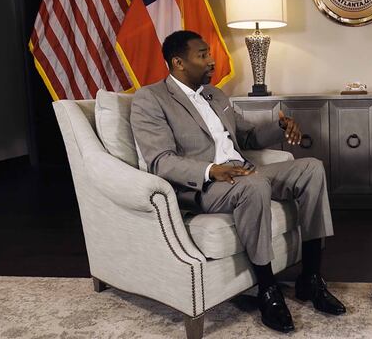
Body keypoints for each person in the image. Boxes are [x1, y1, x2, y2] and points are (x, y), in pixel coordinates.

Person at [130, 30, 345, 334]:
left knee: (311, 168)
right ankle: (267, 290)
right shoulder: (151, 99)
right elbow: (161, 160)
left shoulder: (214, 94)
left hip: (242, 170)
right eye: (202, 55)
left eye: (209, 54)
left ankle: (310, 277)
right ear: (178, 62)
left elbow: (247, 136)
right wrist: (211, 170)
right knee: (253, 185)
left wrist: (279, 126)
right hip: (204, 185)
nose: (212, 61)